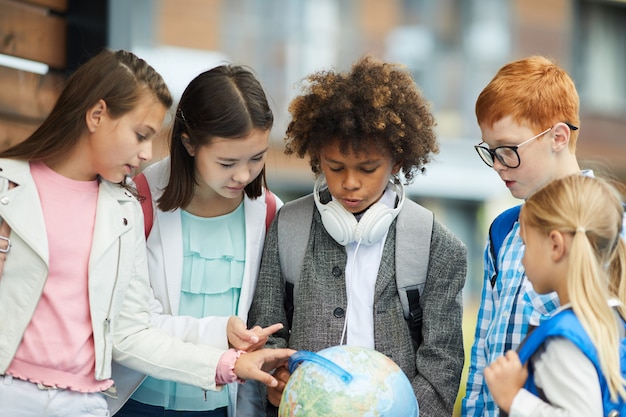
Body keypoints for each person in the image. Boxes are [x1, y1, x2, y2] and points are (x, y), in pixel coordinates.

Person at [0, 49, 294, 417]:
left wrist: (229, 360)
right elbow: (133, 326)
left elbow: (129, 328)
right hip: (96, 396)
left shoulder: (122, 206)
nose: (145, 153)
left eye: (256, 158)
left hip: (114, 401)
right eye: (140, 135)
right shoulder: (127, 197)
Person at [247, 55, 468, 417]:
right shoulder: (288, 226)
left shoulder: (437, 246)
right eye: (335, 168)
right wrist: (275, 376)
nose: (350, 183)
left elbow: (442, 362)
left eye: (367, 169)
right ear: (318, 158)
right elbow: (268, 327)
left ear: (397, 161)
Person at [113, 64, 283, 417]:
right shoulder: (135, 201)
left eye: (256, 158)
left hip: (226, 403)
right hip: (135, 399)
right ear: (189, 143)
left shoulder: (269, 212)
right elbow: (133, 323)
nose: (243, 174)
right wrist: (221, 331)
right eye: (226, 162)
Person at [462, 55, 590, 417]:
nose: (499, 164)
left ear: (558, 137)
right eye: (491, 151)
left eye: (509, 149)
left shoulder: (610, 229)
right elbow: (483, 352)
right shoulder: (504, 229)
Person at [484, 174, 626, 416]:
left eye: (526, 245)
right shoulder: (613, 322)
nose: (523, 258)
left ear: (556, 245)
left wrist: (512, 398)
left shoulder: (565, 340)